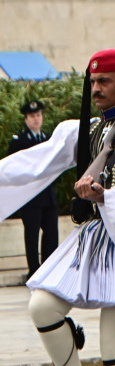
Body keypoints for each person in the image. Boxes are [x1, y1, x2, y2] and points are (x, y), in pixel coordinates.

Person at [0, 49, 115, 366]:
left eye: (105, 81)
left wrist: (105, 197)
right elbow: (35, 162)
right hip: (92, 237)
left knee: (113, 350)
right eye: (94, 81)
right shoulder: (87, 129)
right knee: (42, 308)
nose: (96, 88)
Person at [6, 100, 59, 276]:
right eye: (32, 116)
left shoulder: (48, 139)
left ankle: (47, 270)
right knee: (32, 235)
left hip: (47, 195)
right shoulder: (19, 140)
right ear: (26, 119)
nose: (36, 119)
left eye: (38, 115)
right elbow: (14, 166)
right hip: (30, 197)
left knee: (51, 234)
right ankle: (34, 271)